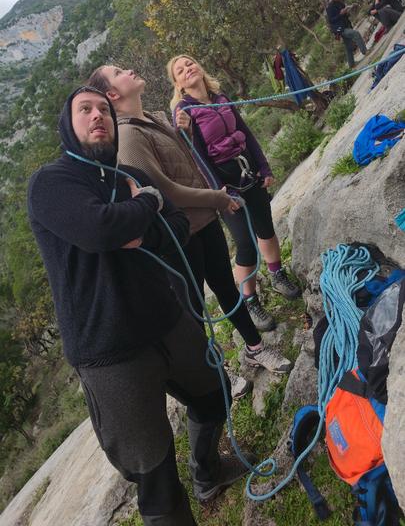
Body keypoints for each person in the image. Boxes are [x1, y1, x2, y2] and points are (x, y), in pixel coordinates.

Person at [28, 86, 253, 526]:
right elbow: (100, 230)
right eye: (85, 110)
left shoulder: (127, 174)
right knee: (153, 472)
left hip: (166, 320)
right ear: (67, 125)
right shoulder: (51, 183)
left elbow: (176, 226)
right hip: (109, 350)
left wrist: (140, 226)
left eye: (104, 110)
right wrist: (146, 203)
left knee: (215, 393)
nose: (98, 116)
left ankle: (206, 473)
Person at [87, 66, 289, 373]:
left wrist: (186, 134)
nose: (128, 70)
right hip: (179, 236)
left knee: (226, 288)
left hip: (203, 222)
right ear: (112, 94)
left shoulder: (154, 117)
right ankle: (214, 374)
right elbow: (163, 191)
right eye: (118, 72)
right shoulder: (128, 137)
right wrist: (216, 198)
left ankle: (255, 348)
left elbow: (184, 162)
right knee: (193, 309)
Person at [166, 54, 300, 309]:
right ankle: (250, 299)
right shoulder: (184, 111)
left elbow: (245, 132)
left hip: (249, 172)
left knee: (266, 228)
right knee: (245, 244)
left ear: (199, 66)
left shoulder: (220, 98)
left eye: (190, 63)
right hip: (224, 186)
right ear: (178, 84)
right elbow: (197, 158)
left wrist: (263, 167)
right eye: (180, 70)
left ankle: (277, 274)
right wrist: (222, 193)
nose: (187, 69)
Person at [326, 0, 367, 67]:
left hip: (346, 24)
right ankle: (365, 51)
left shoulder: (340, 2)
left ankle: (351, 64)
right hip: (340, 28)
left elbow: (345, 13)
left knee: (349, 46)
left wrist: (349, 9)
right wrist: (340, 14)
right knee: (356, 34)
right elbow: (331, 20)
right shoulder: (329, 7)